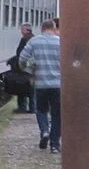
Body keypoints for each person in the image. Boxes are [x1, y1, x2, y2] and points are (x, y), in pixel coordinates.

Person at [18, 20, 61, 153]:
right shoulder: (61, 42)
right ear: (53, 29)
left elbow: (22, 59)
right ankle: (54, 145)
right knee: (56, 114)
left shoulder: (34, 41)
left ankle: (44, 131)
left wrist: (28, 70)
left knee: (41, 110)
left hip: (40, 83)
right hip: (58, 85)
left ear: (41, 29)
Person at [11, 24, 35, 113]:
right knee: (32, 89)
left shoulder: (24, 39)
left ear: (27, 30)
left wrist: (17, 64)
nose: (21, 31)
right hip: (32, 68)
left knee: (22, 88)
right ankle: (33, 107)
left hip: (24, 68)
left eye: (22, 30)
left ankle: (22, 107)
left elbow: (20, 53)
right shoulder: (34, 38)